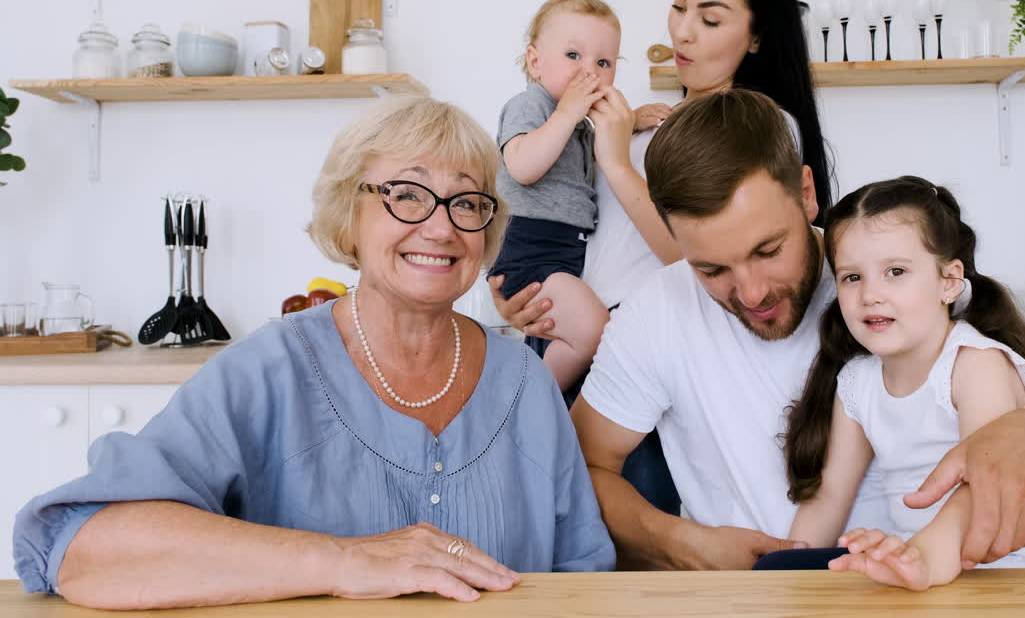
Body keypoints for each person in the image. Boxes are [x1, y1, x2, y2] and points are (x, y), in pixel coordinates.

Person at [11, 96, 615, 609]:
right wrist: (341, 561)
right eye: (406, 194)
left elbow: (584, 583)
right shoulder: (269, 370)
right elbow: (83, 547)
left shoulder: (525, 384)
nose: (440, 226)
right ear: (348, 216)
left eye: (466, 202)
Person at [569, 88, 1025, 571]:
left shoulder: (898, 279)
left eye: (768, 250)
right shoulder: (655, 314)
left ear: (807, 193)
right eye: (711, 269)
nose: (750, 293)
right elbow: (583, 466)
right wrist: (679, 543)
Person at [491, 0, 835, 513]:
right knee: (556, 538)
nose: (682, 31)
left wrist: (618, 162)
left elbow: (699, 256)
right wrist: (517, 293)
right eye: (678, 6)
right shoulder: (640, 120)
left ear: (755, 36)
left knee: (631, 550)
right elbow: (561, 215)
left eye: (710, 17)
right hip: (574, 341)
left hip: (654, 368)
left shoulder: (763, 129)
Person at [783, 175, 1025, 590]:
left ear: (948, 281)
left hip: (1005, 584)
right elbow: (829, 498)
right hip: (923, 577)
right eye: (852, 277)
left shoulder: (974, 364)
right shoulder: (857, 382)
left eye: (895, 271)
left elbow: (984, 482)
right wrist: (785, 572)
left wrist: (927, 557)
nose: (870, 294)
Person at [489, 0, 666, 391]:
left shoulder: (578, 125)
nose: (590, 72)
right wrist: (569, 112)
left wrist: (631, 120)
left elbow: (593, 155)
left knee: (580, 331)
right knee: (592, 330)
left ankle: (533, 392)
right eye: (574, 56)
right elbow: (523, 166)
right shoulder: (529, 106)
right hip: (529, 247)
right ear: (535, 62)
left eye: (603, 62)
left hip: (563, 251)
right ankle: (530, 402)